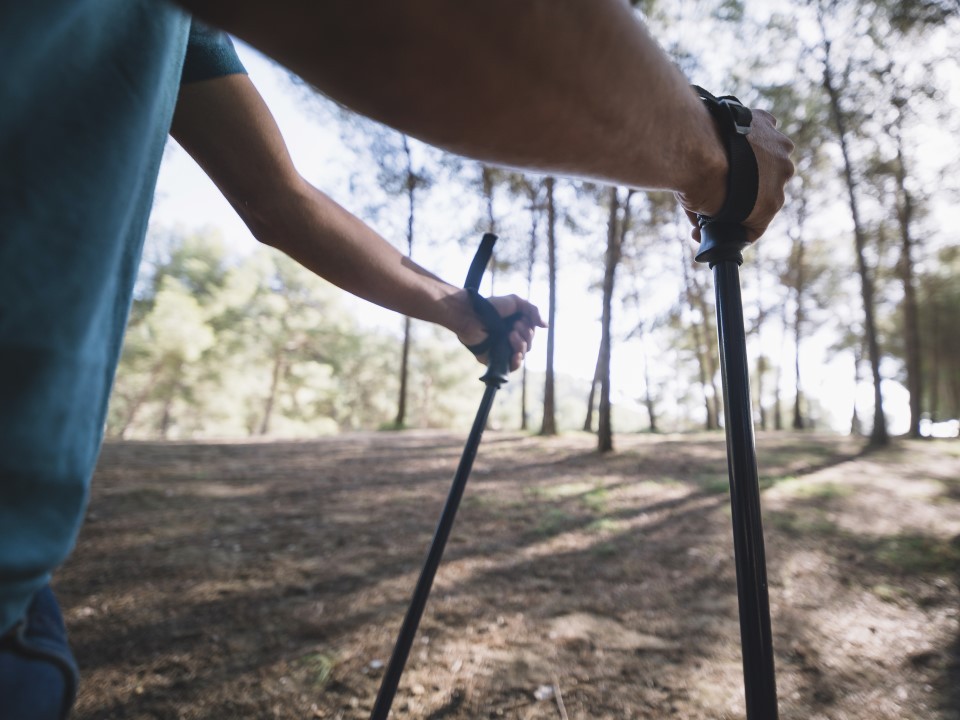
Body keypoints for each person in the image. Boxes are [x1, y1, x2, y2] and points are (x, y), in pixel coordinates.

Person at [0, 1, 794, 718]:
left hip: (22, 596)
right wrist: (714, 150)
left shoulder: (163, 24)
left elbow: (280, 197)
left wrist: (456, 308)